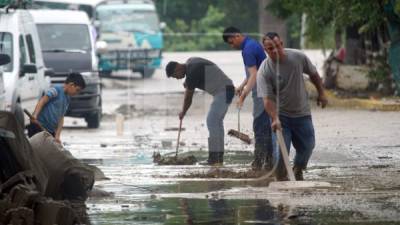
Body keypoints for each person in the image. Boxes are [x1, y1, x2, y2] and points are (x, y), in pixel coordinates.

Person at [257, 32, 328, 180]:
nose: (275, 50)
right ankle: (280, 179)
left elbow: (314, 74)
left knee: (308, 146)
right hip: (281, 116)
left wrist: (322, 93)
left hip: (302, 113)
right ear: (266, 50)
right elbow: (267, 99)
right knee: (281, 153)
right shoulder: (264, 71)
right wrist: (275, 118)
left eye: (277, 46)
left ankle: (298, 169)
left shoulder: (297, 58)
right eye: (270, 48)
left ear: (281, 44)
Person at [166, 57, 235, 165]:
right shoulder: (190, 62)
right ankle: (218, 158)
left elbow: (188, 98)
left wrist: (183, 112)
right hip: (227, 89)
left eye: (176, 76)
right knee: (216, 123)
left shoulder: (192, 73)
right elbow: (197, 74)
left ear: (178, 68)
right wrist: (188, 82)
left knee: (212, 121)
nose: (177, 79)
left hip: (224, 91)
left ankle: (214, 158)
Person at [222, 26, 274, 170]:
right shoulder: (253, 44)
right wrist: (242, 86)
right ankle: (269, 161)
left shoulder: (247, 50)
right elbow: (252, 73)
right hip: (267, 88)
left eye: (231, 42)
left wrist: (243, 96)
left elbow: (255, 75)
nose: (232, 46)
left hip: (262, 90)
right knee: (266, 126)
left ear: (237, 36)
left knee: (260, 125)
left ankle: (259, 162)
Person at [27, 72, 86, 143]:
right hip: (37, 125)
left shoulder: (67, 99)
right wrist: (35, 115)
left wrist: (57, 136)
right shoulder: (56, 90)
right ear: (71, 85)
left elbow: (61, 118)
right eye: (77, 90)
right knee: (35, 148)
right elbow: (42, 101)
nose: (77, 93)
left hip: (49, 131)